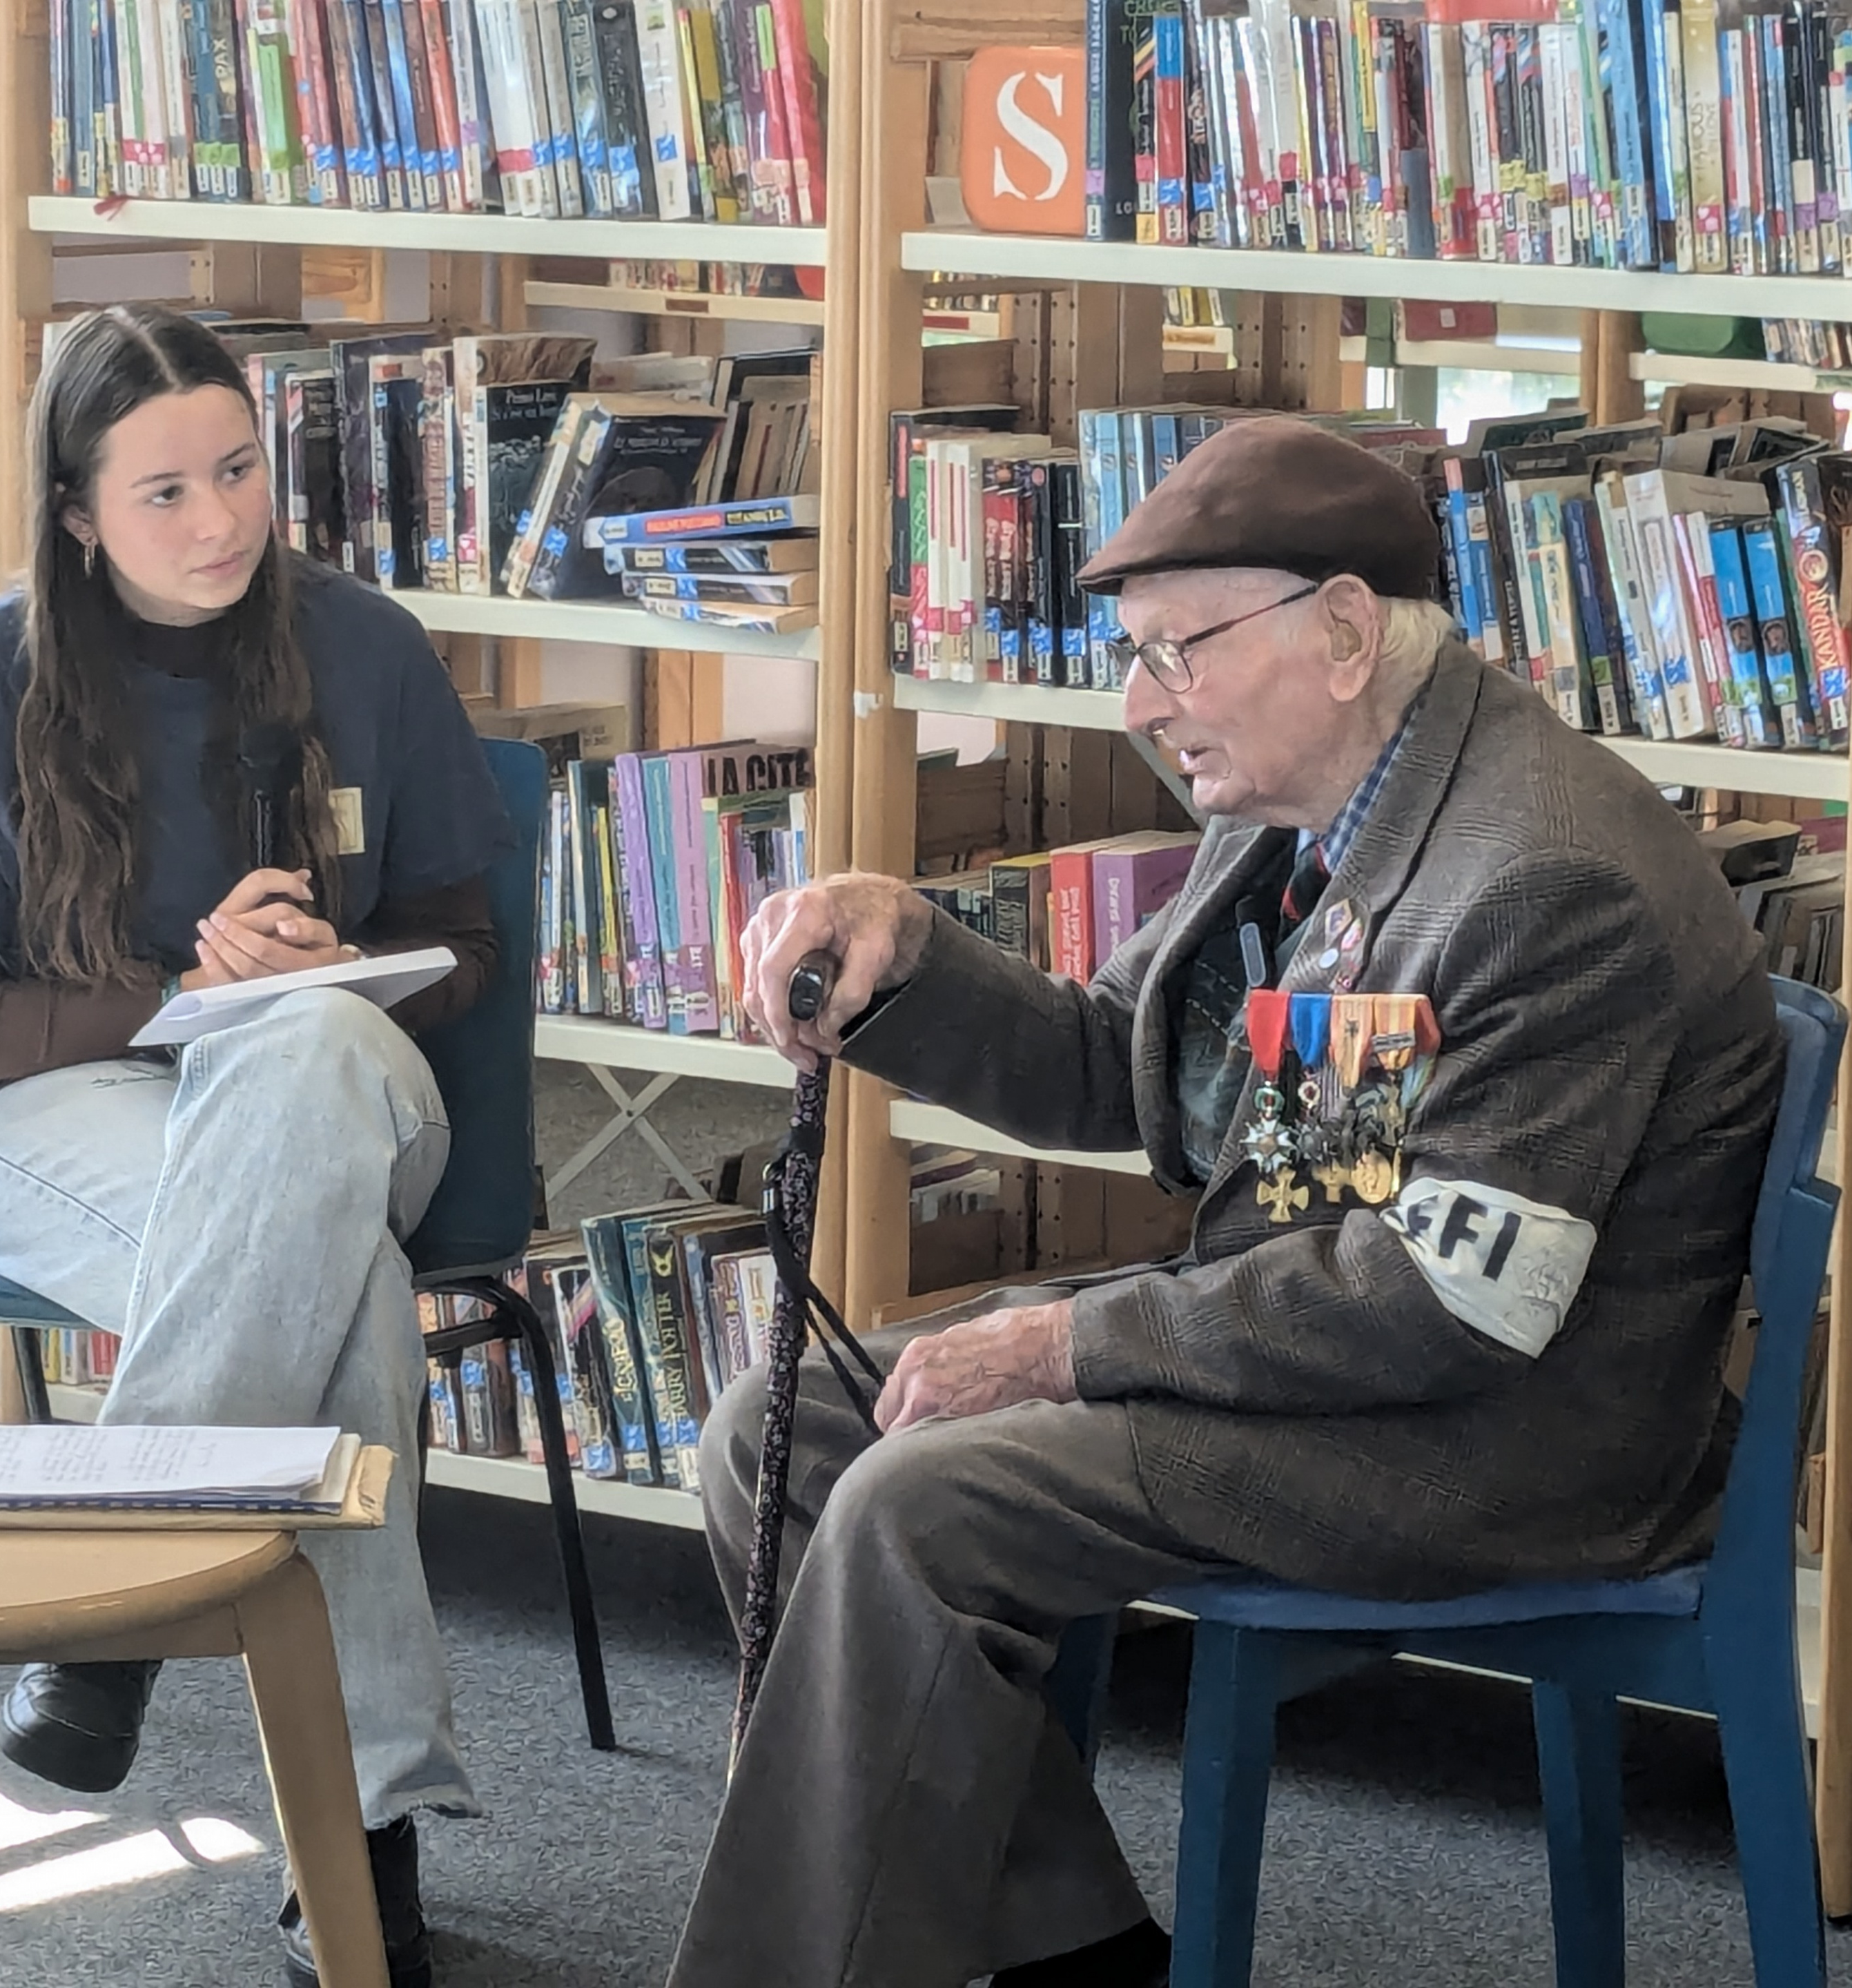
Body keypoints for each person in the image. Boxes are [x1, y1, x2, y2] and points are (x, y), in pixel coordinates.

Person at [672, 416, 1787, 1988]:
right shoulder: (1315, 815)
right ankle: (1073, 1952)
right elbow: (1114, 1070)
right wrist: (907, 951)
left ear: (1341, 631)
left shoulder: (1543, 876)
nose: (1140, 706)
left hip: (1498, 1435)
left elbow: (1446, 1298)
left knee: (923, 1499)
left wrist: (1067, 1344)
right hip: (1328, 1358)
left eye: (1175, 654)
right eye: (1135, 659)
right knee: (776, 1431)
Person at [0, 304, 509, 1988]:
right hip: (45, 1112)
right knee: (343, 1300)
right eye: (164, 492)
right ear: (77, 513)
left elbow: (463, 943)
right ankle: (364, 1839)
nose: (219, 520)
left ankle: (112, 1604)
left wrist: (322, 977)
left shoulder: (364, 645)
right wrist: (171, 996)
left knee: (309, 1058)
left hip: (338, 1087)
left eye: (237, 470)